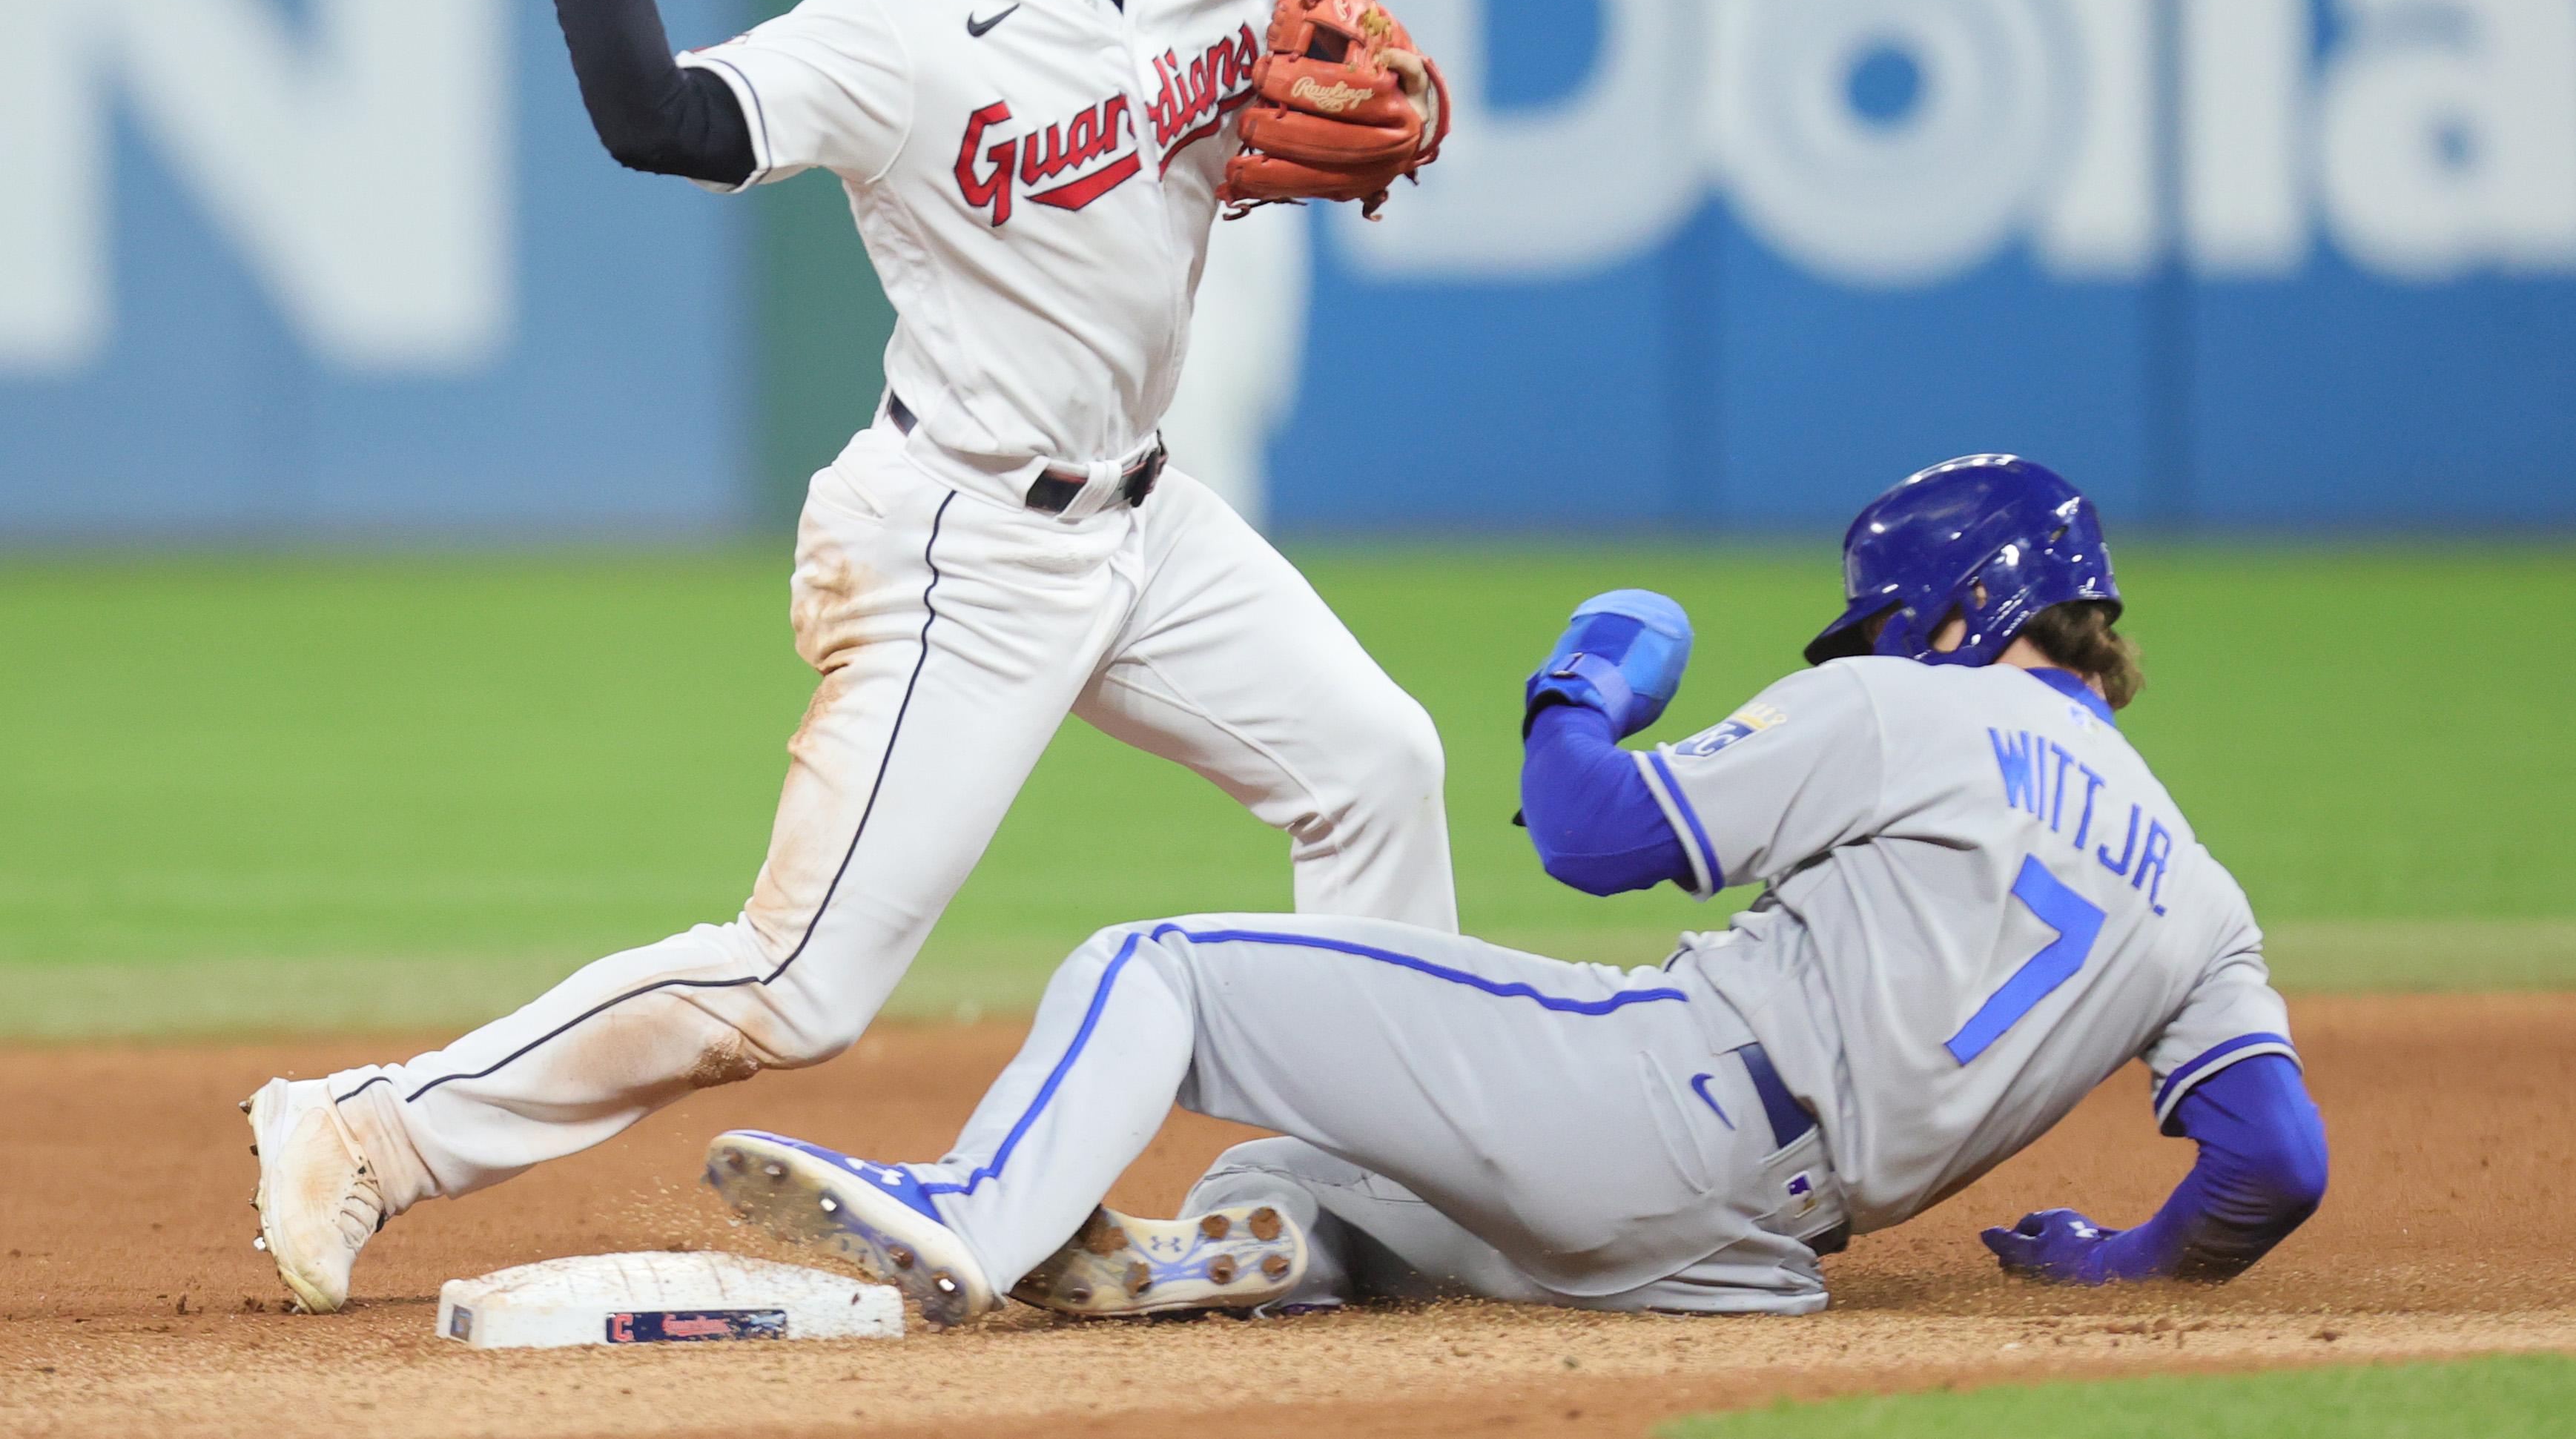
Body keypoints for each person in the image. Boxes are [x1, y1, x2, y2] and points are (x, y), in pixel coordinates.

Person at [242, 0, 1455, 1315]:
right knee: (796, 988)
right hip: (960, 539)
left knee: (1376, 765)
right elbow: (651, 118)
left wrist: (1367, 84)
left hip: (1148, 514)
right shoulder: (898, 26)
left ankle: (1381, 1194)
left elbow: (1319, 61)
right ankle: (367, 1128)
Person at [703, 454, 2328, 1325]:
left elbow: (1594, 833)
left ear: (1962, 614)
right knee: (1297, 1162)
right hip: (1749, 1256)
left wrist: (1580, 683)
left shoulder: (1918, 707)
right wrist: (2119, 1265)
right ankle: (1246, 1253)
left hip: (1659, 1096)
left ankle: (972, 1211)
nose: (1872, 649)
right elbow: (2273, 1160)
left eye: (1884, 622)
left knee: (1161, 966)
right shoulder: (2201, 892)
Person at [1155, 0, 1340, 529]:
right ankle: (1215, 574)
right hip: (1176, 167)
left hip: (1271, 174)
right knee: (1196, 398)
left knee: (1256, 387)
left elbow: (1341, 45)